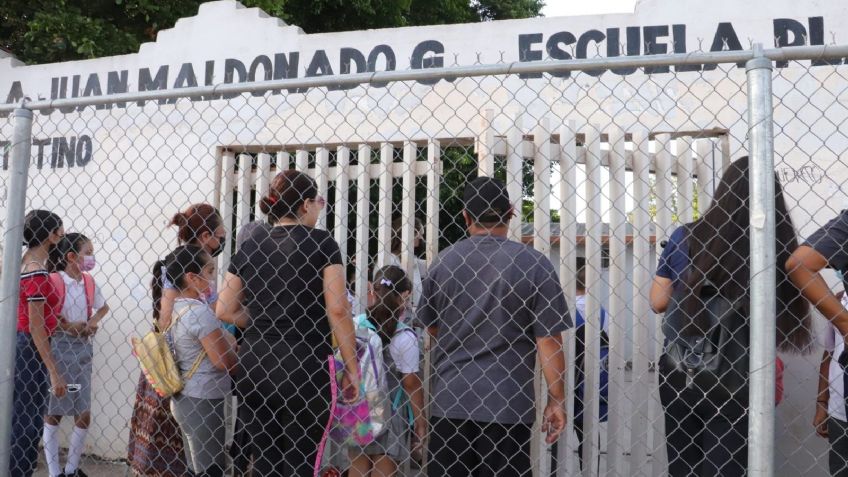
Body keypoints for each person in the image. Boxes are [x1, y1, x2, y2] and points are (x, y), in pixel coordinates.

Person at [650, 156, 811, 477]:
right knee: (727, 468)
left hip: (682, 368)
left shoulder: (686, 236)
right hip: (742, 373)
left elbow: (657, 302)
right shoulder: (776, 244)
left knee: (684, 468)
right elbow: (782, 312)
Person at [419, 176, 570, 477]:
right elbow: (548, 339)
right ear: (511, 212)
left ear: (465, 215)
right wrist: (556, 398)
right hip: (507, 401)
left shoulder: (444, 262)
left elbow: (433, 328)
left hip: (451, 399)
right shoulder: (534, 264)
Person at [217, 169, 360, 476]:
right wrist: (352, 368)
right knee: (301, 461)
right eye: (319, 201)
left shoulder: (251, 245)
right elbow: (337, 310)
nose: (320, 208)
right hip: (304, 365)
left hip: (255, 364)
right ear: (306, 205)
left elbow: (225, 309)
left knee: (266, 461)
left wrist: (267, 318)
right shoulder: (323, 244)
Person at [127, 203, 226, 477]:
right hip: (179, 366)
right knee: (182, 442)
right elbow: (166, 319)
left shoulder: (201, 270)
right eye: (220, 234)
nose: (222, 241)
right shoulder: (179, 268)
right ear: (206, 236)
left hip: (193, 359)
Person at [165, 245, 238, 477]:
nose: (213, 277)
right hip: (204, 398)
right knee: (210, 469)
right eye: (209, 271)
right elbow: (223, 361)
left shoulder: (178, 307)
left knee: (196, 466)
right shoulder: (199, 313)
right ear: (191, 278)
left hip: (186, 395)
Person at [348, 265, 426, 477]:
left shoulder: (356, 325)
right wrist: (420, 420)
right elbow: (410, 384)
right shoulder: (405, 337)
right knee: (384, 465)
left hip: (359, 407)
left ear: (372, 291)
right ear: (405, 296)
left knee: (358, 464)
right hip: (391, 410)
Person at [43, 233, 109, 477]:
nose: (91, 257)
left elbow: (103, 307)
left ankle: (71, 470)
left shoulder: (89, 282)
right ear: (71, 257)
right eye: (88, 252)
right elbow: (46, 317)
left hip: (82, 351)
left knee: (83, 411)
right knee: (55, 410)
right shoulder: (54, 281)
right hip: (58, 350)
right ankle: (54, 472)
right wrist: (67, 326)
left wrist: (91, 322)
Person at [9, 210, 65, 477]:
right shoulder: (36, 272)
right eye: (60, 231)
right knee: (28, 421)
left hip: (23, 344)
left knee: (21, 417)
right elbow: (36, 326)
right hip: (30, 348)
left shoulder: (22, 263)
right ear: (52, 236)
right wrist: (53, 371)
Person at [572, 259, 609, 471]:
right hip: (590, 381)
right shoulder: (602, 312)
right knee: (588, 433)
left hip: (562, 378)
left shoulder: (563, 309)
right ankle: (590, 470)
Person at [386, 216, 427, 311]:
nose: (421, 237)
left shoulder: (413, 260)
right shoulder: (389, 260)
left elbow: (432, 265)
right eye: (417, 233)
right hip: (397, 312)